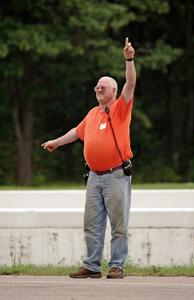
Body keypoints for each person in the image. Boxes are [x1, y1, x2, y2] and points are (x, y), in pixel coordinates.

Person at [41, 37, 136, 279]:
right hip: (94, 177)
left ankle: (117, 266)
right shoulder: (92, 114)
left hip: (116, 175)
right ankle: (92, 266)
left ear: (113, 91)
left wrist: (129, 60)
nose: (97, 89)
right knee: (91, 224)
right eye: (96, 87)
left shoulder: (120, 108)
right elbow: (76, 132)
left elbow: (131, 83)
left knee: (118, 225)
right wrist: (56, 142)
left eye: (102, 87)